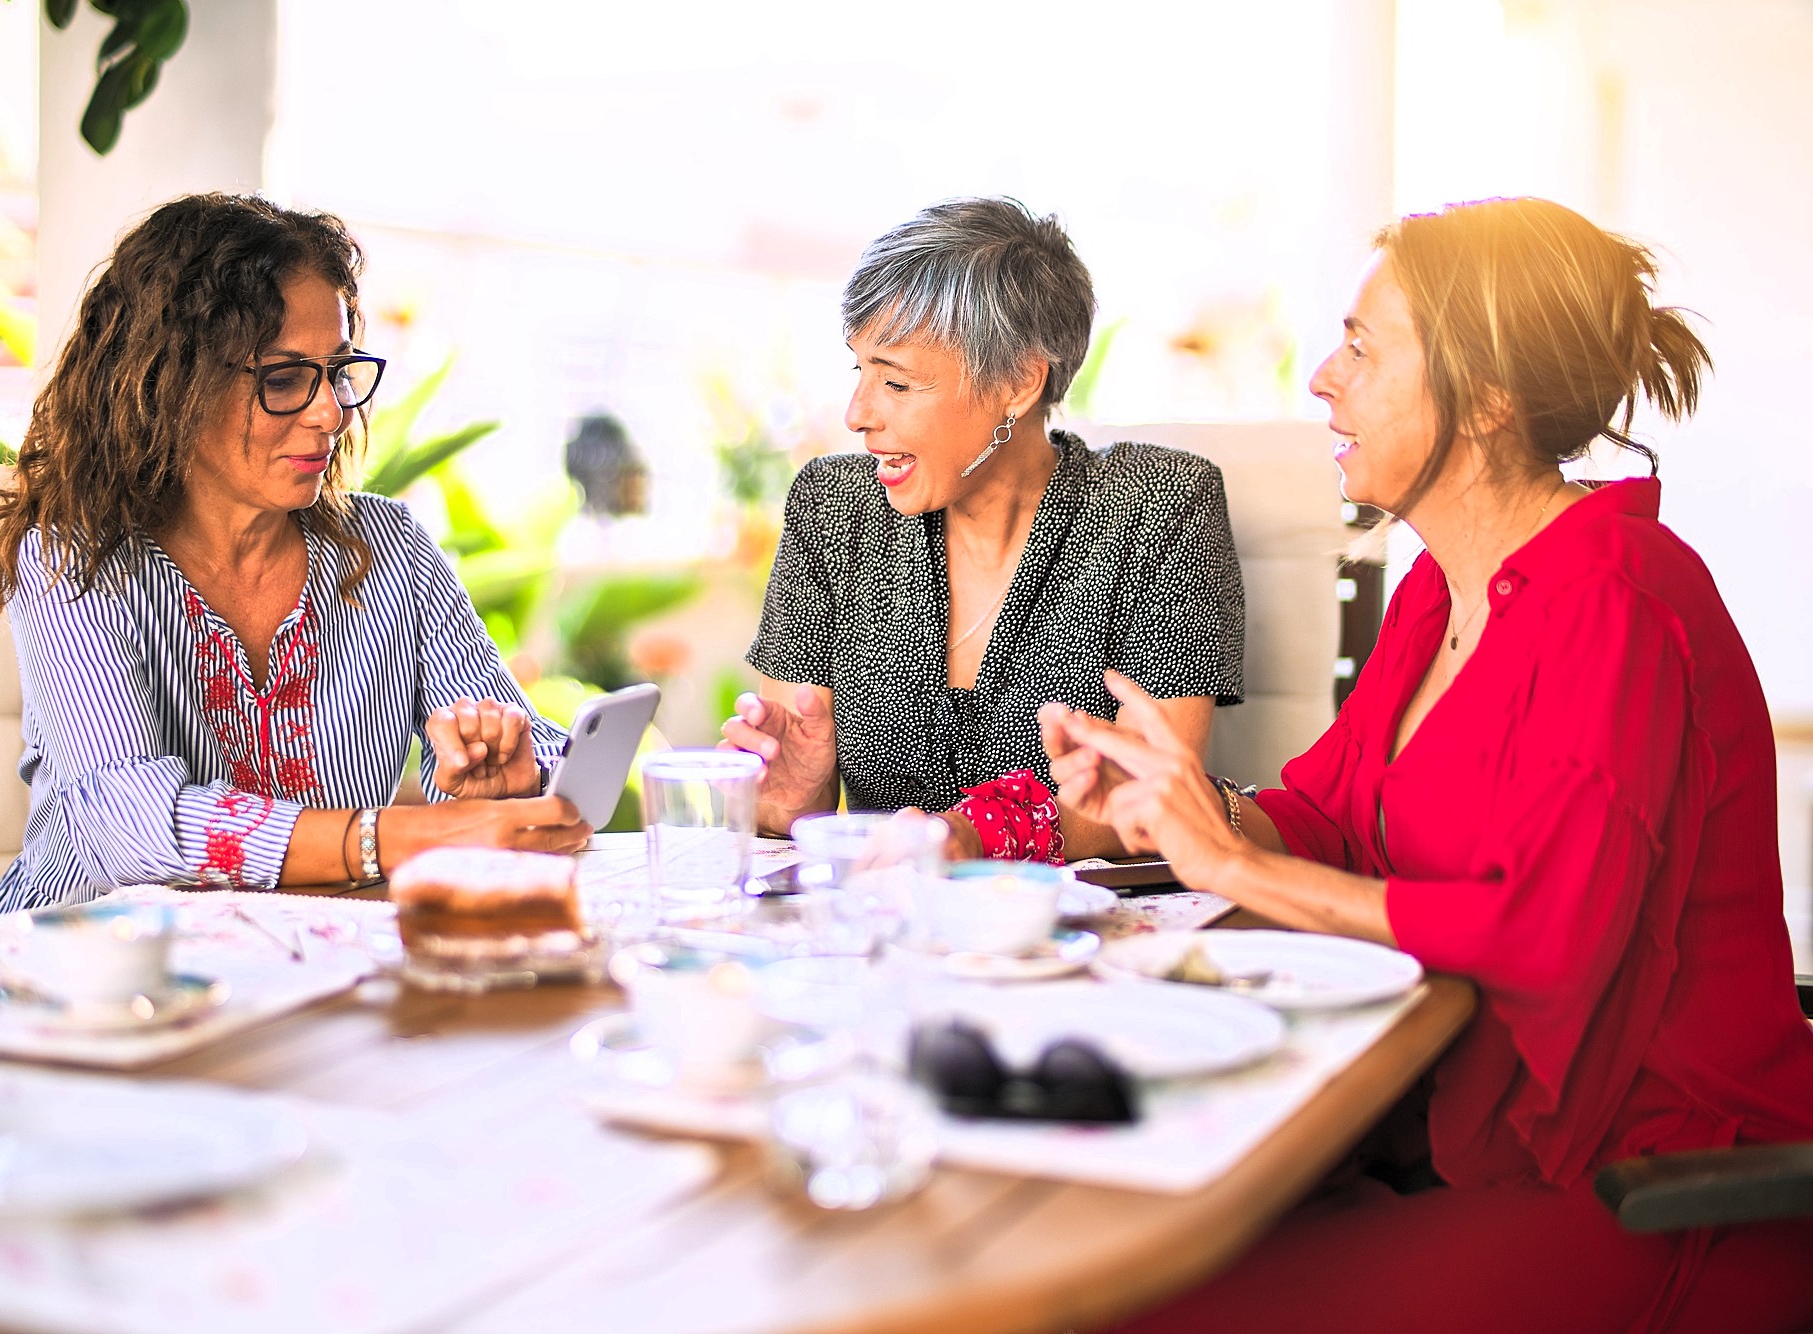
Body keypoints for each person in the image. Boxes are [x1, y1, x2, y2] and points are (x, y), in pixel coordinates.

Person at [1042, 197, 1813, 1332]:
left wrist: (1228, 865)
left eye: (1361, 346)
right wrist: (1186, 804)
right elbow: (1328, 813)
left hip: (1661, 1194)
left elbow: (1540, 937)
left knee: (1134, 1305)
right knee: (1114, 1248)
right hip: (1486, 1146)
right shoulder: (1434, 590)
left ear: (1488, 396)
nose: (1320, 377)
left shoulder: (1617, 600)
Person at [0, 194, 589, 914]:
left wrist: (506, 774)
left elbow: (530, 748)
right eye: (285, 378)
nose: (331, 411)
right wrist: (394, 838)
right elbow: (130, 826)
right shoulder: (75, 558)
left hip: (311, 968)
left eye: (337, 370)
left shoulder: (392, 551)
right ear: (169, 383)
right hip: (89, 980)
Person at [723, 197, 1244, 862]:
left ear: (1020, 383)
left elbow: (1154, 800)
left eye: (898, 383)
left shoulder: (1162, 507)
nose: (857, 414)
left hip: (1079, 948)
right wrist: (792, 801)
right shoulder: (833, 509)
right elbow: (810, 819)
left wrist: (968, 837)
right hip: (886, 940)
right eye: (862, 371)